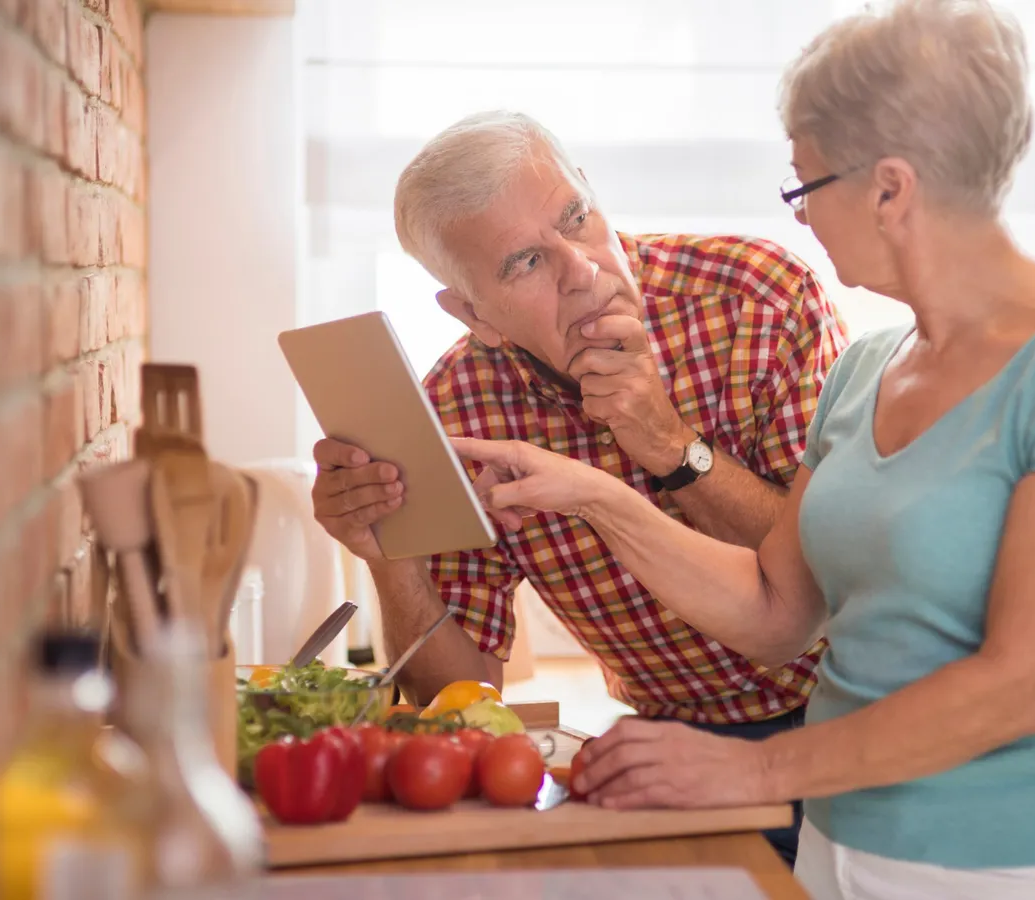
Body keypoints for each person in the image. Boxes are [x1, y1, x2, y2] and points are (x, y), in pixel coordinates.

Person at [451, 1, 1035, 897]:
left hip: (1014, 866)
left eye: (804, 187)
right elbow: (778, 611)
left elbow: (1022, 686)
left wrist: (756, 775)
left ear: (890, 188)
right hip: (843, 846)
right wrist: (596, 496)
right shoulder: (871, 368)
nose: (796, 219)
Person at [309, 110, 848, 864]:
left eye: (576, 218)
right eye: (525, 262)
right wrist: (386, 555)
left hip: (855, 716)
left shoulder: (759, 297)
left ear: (594, 191)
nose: (584, 269)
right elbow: (458, 698)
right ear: (473, 314)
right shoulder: (459, 411)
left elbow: (832, 580)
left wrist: (666, 442)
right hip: (673, 746)